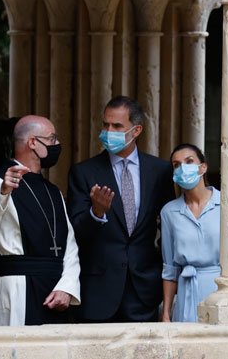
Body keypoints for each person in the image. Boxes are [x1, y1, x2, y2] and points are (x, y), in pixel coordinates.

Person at [68, 96, 175, 322]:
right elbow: (74, 231)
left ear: (136, 131)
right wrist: (96, 212)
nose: (109, 131)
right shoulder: (84, 172)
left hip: (143, 290)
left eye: (117, 126)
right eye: (105, 125)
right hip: (97, 291)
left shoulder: (160, 171)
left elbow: (168, 226)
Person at [0, 115, 80, 326]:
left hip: (55, 291)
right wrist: (4, 190)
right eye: (52, 139)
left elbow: (70, 246)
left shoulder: (53, 191)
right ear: (33, 142)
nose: (57, 145)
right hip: (18, 288)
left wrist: (66, 288)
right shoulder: (0, 182)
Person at [161, 143, 221, 323]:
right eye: (176, 165)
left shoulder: (226, 205)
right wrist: (166, 314)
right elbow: (170, 269)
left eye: (189, 161)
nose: (182, 168)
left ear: (203, 167)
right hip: (186, 292)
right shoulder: (169, 212)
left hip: (220, 291)